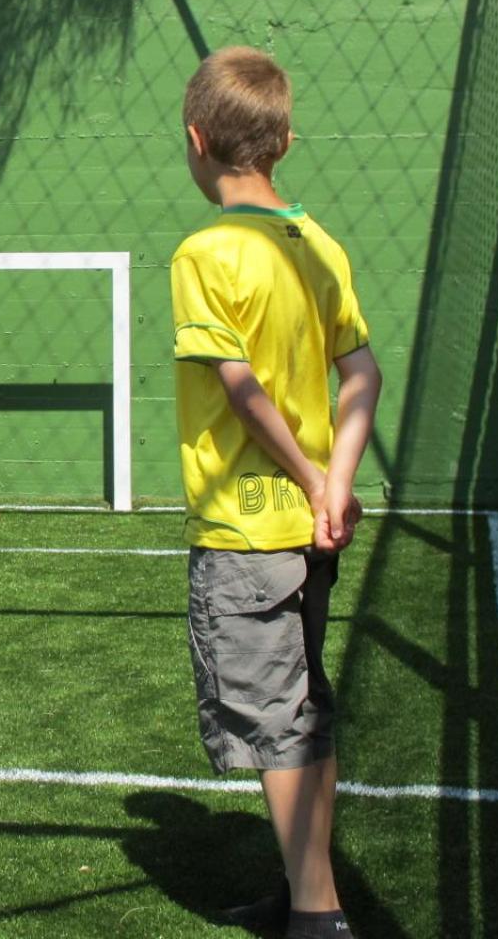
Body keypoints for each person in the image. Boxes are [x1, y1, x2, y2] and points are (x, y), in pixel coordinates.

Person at [169, 47, 382, 938]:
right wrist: (336, 484)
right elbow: (362, 373)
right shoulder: (319, 242)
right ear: (284, 142)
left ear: (196, 140)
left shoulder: (206, 252)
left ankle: (319, 916)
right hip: (310, 529)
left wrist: (310, 478)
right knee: (304, 711)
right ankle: (306, 893)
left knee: (275, 723)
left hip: (247, 533)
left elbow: (240, 389)